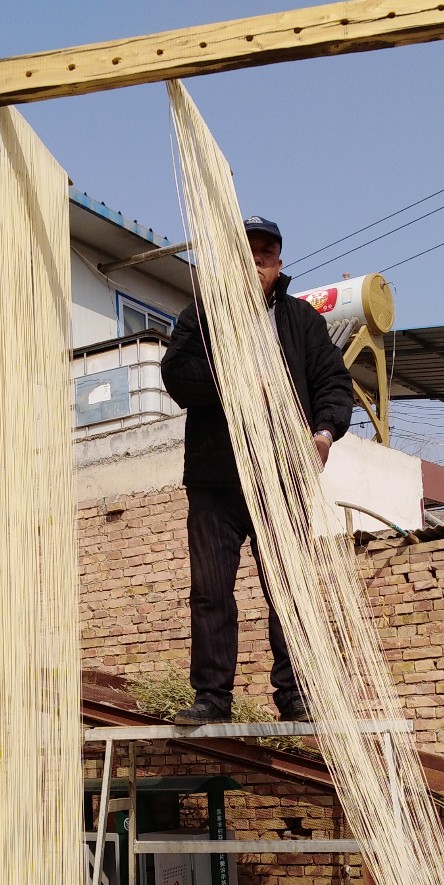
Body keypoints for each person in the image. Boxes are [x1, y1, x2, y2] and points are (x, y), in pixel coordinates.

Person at [159, 215, 354, 725]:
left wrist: (324, 432)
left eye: (266, 252)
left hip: (280, 475)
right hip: (216, 478)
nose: (257, 260)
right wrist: (234, 366)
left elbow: (333, 382)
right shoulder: (200, 317)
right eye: (248, 251)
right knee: (210, 590)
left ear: (279, 263)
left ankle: (295, 696)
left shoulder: (302, 321)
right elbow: (178, 379)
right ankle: (212, 699)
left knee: (291, 588)